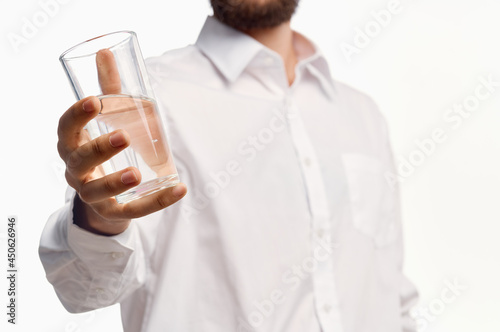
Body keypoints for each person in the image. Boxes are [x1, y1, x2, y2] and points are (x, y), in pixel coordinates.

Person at [39, 0, 419, 331]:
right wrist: (101, 219)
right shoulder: (145, 101)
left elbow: (391, 291)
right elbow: (84, 287)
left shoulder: (362, 115)